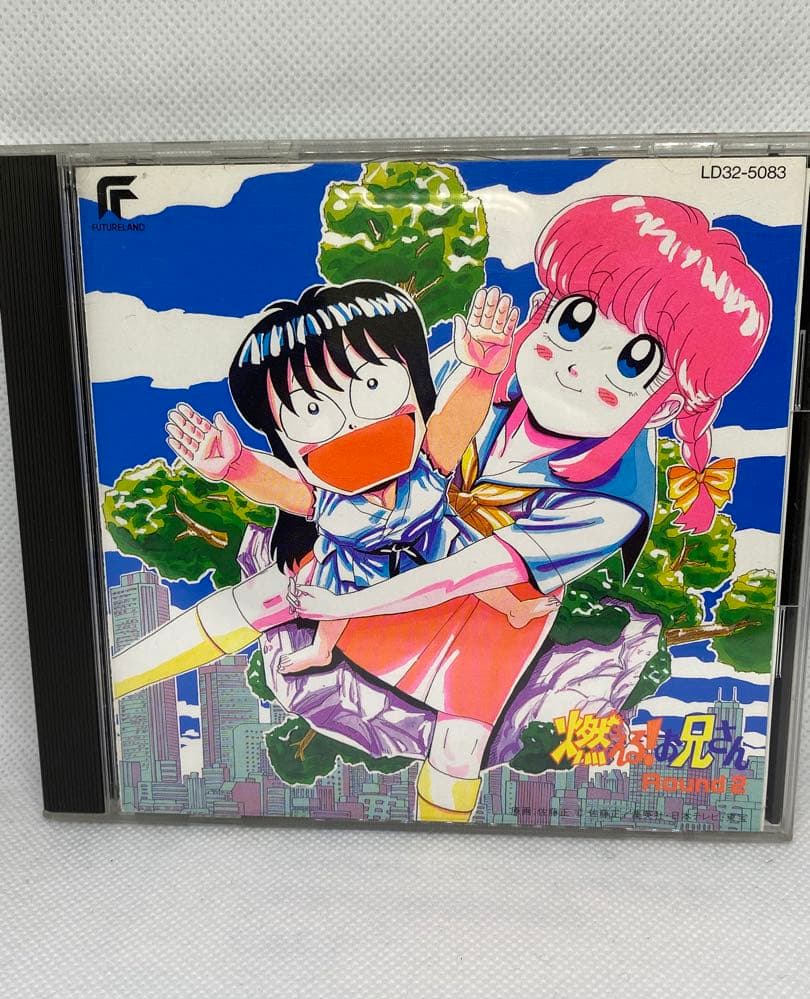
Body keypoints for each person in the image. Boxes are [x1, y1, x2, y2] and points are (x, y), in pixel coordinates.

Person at [288, 194, 772, 822]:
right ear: (546, 305)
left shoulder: (615, 500)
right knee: (269, 599)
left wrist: (349, 605)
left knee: (459, 746)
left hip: (491, 607)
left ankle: (443, 857)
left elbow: (465, 574)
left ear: (669, 405)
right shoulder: (483, 367)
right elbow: (377, 450)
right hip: (392, 546)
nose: (577, 365)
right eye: (575, 321)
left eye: (633, 362)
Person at [113, 280, 555, 697]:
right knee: (332, 602)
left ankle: (512, 608)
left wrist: (481, 373)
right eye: (310, 409)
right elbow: (280, 489)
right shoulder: (326, 501)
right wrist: (237, 466)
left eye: (372, 384)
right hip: (356, 565)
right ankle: (322, 649)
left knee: (468, 566)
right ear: (282, 439)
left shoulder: (427, 463)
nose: (350, 423)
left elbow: (458, 421)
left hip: (434, 542)